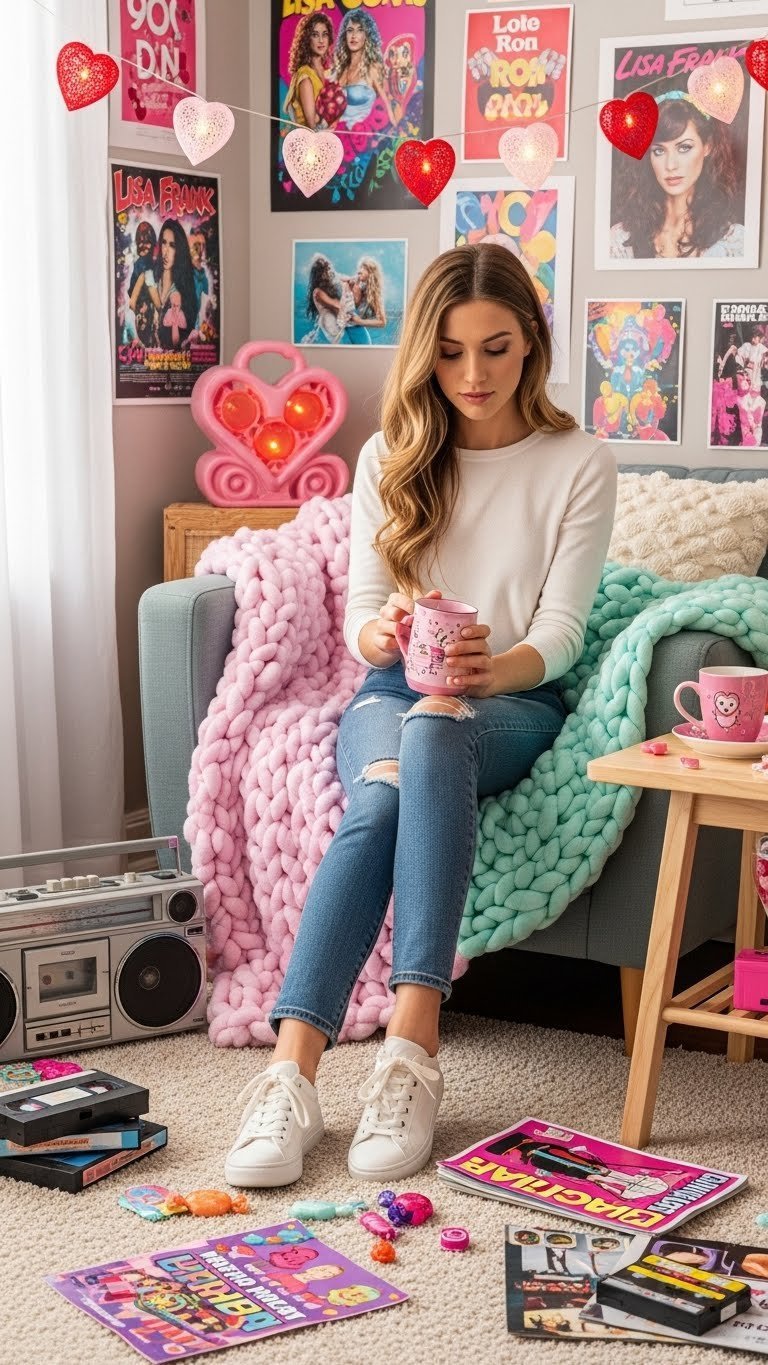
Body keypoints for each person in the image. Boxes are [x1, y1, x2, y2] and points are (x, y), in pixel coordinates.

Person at [224, 243, 617, 1189]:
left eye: (496, 348)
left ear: (533, 345)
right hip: (393, 694)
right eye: (448, 352)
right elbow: (363, 616)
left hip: (513, 699)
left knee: (437, 729)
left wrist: (488, 671)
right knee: (385, 789)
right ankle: (293, 1073)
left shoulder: (579, 460)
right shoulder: (392, 454)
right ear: (423, 354)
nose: (473, 375)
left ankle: (411, 1043)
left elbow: (560, 633)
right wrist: (385, 635)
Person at [609, 91, 745, 260]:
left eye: (684, 148)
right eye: (659, 151)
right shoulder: (620, 239)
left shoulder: (734, 241)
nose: (670, 165)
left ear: (707, 146)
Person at [333, 10, 399, 128]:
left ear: (367, 35)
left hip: (363, 138)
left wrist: (396, 132)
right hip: (337, 135)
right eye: (350, 30)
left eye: (360, 30)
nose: (353, 36)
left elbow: (386, 105)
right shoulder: (340, 70)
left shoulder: (373, 68)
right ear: (345, 35)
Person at [145, 220, 197, 351]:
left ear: (179, 250)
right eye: (164, 243)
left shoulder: (184, 290)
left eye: (172, 245)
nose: (166, 251)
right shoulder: (151, 278)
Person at [283, 12, 334, 129]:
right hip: (310, 143)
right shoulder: (305, 76)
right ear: (307, 39)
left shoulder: (328, 72)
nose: (321, 40)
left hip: (329, 140)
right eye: (315, 35)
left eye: (324, 34)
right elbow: (312, 127)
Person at [302, 253, 355, 344]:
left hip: (334, 321)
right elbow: (336, 304)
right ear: (320, 275)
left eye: (329, 268)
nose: (330, 271)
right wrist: (346, 288)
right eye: (327, 270)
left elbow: (349, 279)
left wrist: (351, 282)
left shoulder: (331, 282)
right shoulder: (317, 292)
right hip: (328, 322)